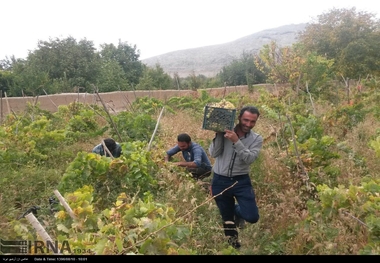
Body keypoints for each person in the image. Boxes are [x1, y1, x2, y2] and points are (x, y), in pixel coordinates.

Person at [209, 106, 263, 249]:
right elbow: (214, 153)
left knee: (252, 216)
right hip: (220, 180)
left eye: (253, 122)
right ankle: (234, 247)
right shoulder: (225, 131)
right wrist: (219, 134)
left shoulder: (256, 139)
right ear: (239, 117)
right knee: (227, 218)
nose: (248, 124)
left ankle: (238, 211)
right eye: (246, 120)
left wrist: (236, 141)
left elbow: (249, 159)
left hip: (241, 181)